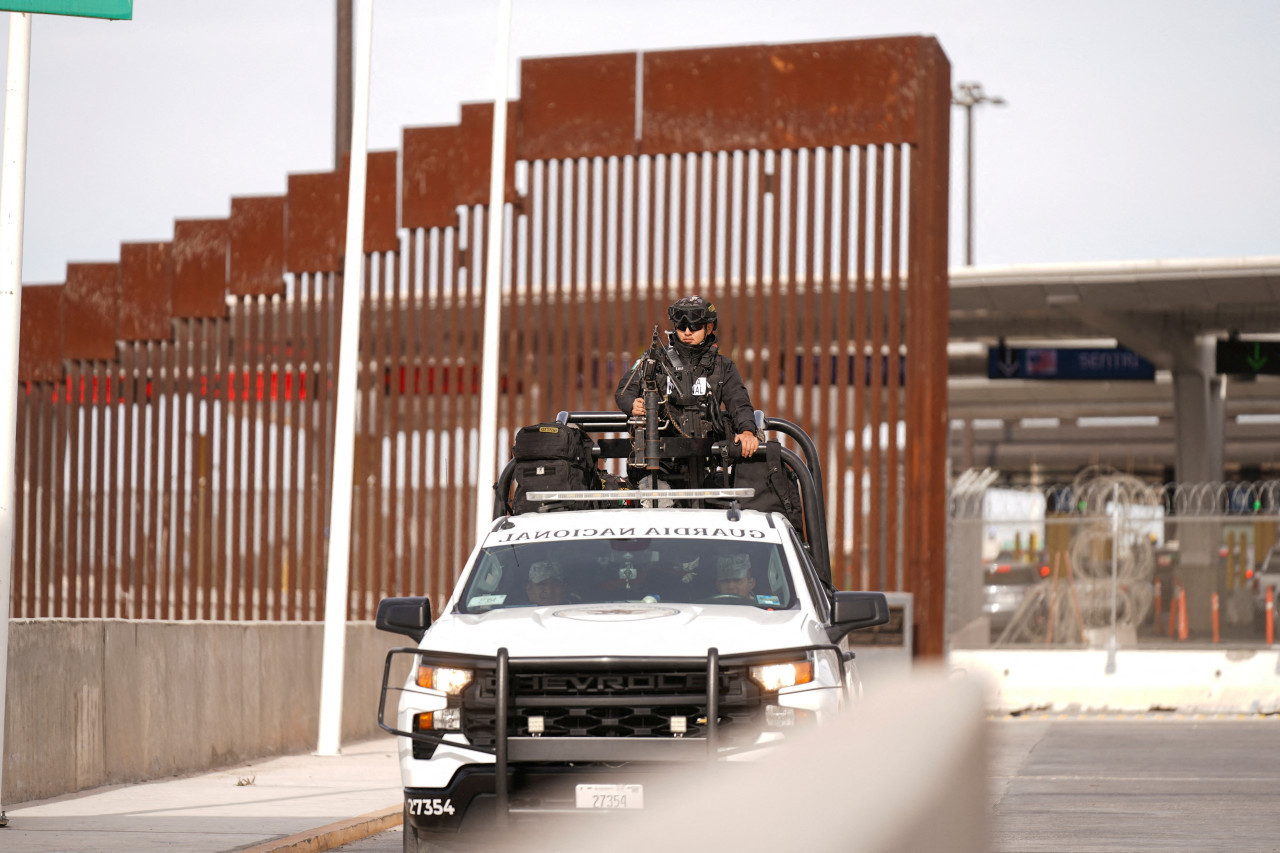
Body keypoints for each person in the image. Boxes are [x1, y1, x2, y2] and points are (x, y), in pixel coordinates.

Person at [615, 295, 760, 462]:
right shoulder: (653, 359)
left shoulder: (723, 366)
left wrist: (747, 432)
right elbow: (623, 392)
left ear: (710, 327)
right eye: (682, 326)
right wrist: (632, 404)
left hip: (706, 457)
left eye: (695, 326)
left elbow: (739, 403)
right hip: (658, 460)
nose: (687, 332)